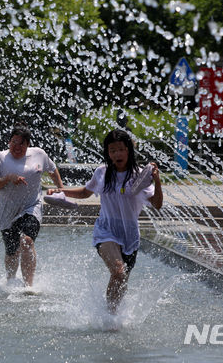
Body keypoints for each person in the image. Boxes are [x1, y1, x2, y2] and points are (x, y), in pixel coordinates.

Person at [48, 129, 163, 313]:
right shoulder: (102, 172)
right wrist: (60, 191)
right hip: (106, 230)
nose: (116, 154)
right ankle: (108, 317)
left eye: (120, 149)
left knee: (122, 278)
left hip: (130, 236)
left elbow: (157, 204)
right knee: (118, 271)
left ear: (128, 151)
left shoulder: (139, 176)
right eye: (112, 150)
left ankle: (114, 314)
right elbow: (85, 192)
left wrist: (157, 181)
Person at [0, 123, 64, 287]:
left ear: (28, 144)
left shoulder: (39, 154)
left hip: (32, 207)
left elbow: (51, 168)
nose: (17, 146)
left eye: (21, 143)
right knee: (12, 251)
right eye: (13, 142)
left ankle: (29, 286)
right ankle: (11, 282)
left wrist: (60, 189)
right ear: (9, 142)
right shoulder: (0, 158)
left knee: (27, 241)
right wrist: (8, 178)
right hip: (8, 212)